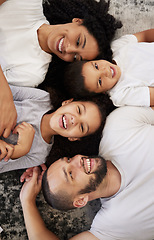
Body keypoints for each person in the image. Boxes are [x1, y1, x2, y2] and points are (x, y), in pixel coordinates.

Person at [20, 105, 154, 240]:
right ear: (80, 201)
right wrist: (27, 202)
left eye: (68, 159)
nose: (78, 160)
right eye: (71, 174)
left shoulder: (118, 127)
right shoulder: (114, 224)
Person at [0, 0, 121, 139]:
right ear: (78, 21)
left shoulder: (34, 73)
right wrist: (6, 96)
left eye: (76, 57)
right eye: (78, 41)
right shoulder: (29, 4)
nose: (68, 49)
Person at [0, 85, 108, 173]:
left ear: (73, 138)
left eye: (82, 127)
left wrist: (21, 150)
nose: (74, 120)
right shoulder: (41, 99)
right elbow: (5, 91)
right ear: (68, 102)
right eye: (79, 110)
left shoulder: (39, 155)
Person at [64, 28, 154, 107]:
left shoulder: (115, 48)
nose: (105, 72)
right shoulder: (119, 94)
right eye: (100, 81)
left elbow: (144, 36)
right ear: (101, 92)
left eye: (96, 66)